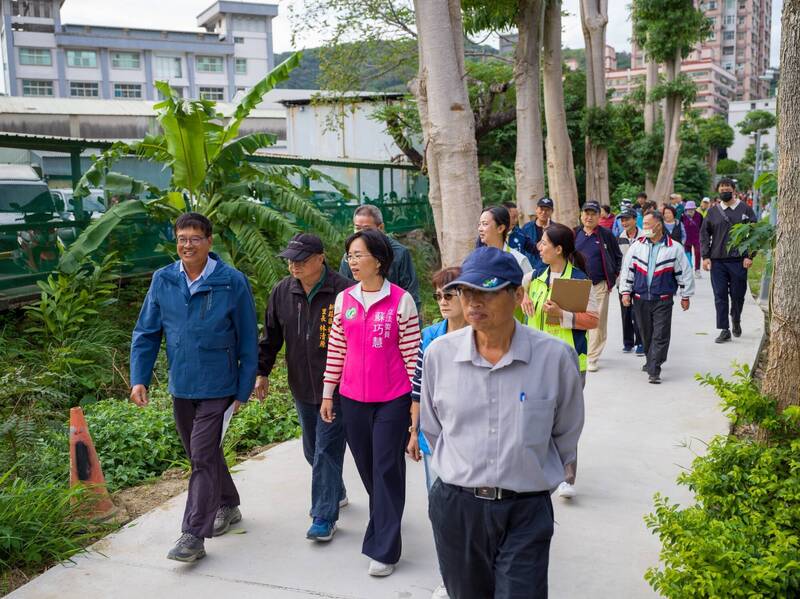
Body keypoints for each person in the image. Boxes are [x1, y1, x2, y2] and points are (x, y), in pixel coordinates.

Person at [420, 246, 584, 599]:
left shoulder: (554, 358)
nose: (474, 302)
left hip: (525, 508)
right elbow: (434, 428)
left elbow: (566, 431)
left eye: (488, 292)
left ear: (517, 295)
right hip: (457, 508)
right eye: (467, 292)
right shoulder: (439, 356)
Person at [130, 213, 258, 562]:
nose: (187, 244)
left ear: (209, 242)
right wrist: (139, 377)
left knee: (201, 455)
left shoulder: (231, 281)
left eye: (195, 238)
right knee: (202, 453)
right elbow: (146, 332)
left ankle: (192, 535)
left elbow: (248, 337)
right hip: (182, 384)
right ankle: (228, 504)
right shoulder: (163, 279)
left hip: (219, 385)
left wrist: (244, 389)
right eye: (181, 238)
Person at [322, 229, 420, 577]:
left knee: (386, 467)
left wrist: (415, 404)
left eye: (358, 255)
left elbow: (413, 356)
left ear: (378, 260)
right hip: (352, 399)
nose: (352, 261)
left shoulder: (401, 300)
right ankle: (387, 515)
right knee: (368, 469)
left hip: (392, 399)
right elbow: (337, 348)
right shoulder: (344, 300)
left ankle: (384, 549)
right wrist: (328, 392)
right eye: (350, 256)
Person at [255, 233, 352, 543]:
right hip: (301, 385)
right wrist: (262, 372)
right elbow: (270, 336)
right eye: (291, 260)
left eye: (302, 259)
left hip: (337, 388)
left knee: (326, 449)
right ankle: (333, 488)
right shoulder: (282, 292)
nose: (294, 265)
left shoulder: (345, 292)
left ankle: (323, 516)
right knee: (313, 449)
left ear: (321, 258)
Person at [521, 223, 598, 500]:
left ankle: (567, 477)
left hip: (568, 363)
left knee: (566, 422)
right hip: (534, 361)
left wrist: (564, 315)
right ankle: (536, 471)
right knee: (535, 417)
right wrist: (523, 301)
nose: (539, 247)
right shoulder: (534, 277)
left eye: (543, 243)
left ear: (559, 249)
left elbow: (593, 319)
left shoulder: (577, 280)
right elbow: (519, 300)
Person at [408, 266, 466, 599]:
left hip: (472, 440)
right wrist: (414, 432)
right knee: (440, 511)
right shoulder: (430, 336)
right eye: (439, 295)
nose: (443, 301)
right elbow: (418, 390)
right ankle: (449, 576)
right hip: (435, 439)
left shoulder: (482, 334)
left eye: (449, 294)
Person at [620, 211, 695, 384]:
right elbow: (627, 270)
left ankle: (655, 369)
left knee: (660, 334)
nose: (644, 227)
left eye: (647, 224)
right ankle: (651, 359)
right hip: (640, 298)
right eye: (643, 224)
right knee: (646, 333)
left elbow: (683, 273)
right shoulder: (637, 246)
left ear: (658, 225)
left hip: (663, 298)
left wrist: (686, 295)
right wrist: (625, 292)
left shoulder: (674, 247)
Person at [701, 178, 757, 343]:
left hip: (739, 260)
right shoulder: (713, 211)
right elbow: (704, 235)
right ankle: (724, 329)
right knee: (720, 295)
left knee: (738, 295)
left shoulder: (745, 209)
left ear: (733, 189)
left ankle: (736, 318)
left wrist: (749, 256)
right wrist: (705, 257)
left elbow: (754, 235)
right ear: (718, 191)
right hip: (717, 261)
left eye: (727, 187)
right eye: (721, 188)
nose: (724, 190)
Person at [339, 204, 421, 314]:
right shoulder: (349, 257)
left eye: (367, 229)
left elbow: (411, 294)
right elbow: (343, 292)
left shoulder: (400, 253)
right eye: (357, 228)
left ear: (381, 227)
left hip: (392, 317)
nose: (361, 233)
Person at [574, 200, 622, 372]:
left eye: (593, 213)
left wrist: (613, 276)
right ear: (581, 215)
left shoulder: (606, 234)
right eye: (586, 213)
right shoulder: (574, 234)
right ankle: (579, 353)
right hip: (577, 285)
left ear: (599, 216)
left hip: (599, 285)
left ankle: (592, 357)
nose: (589, 217)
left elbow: (617, 257)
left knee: (597, 322)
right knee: (577, 321)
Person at [616, 209, 644, 355]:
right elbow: (616, 259)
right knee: (625, 312)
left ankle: (641, 342)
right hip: (623, 281)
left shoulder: (645, 236)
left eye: (627, 219)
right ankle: (628, 342)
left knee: (639, 313)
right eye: (622, 220)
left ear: (635, 219)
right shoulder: (618, 238)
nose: (624, 222)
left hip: (641, 281)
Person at [478, 205, 533, 275]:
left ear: (500, 228)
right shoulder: (476, 259)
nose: (480, 229)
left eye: (485, 224)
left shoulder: (519, 260)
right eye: (479, 224)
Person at [521, 197, 556, 275]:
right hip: (528, 269)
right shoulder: (526, 228)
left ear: (552, 211)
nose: (544, 212)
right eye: (541, 209)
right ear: (536, 209)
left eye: (547, 210)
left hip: (548, 271)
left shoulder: (556, 229)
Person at [682, 200, 704, 278]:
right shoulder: (683, 216)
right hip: (686, 238)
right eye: (688, 209)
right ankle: (689, 270)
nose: (690, 211)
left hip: (697, 238)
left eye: (691, 209)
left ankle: (697, 270)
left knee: (698, 253)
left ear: (694, 209)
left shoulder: (699, 216)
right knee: (687, 255)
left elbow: (703, 227)